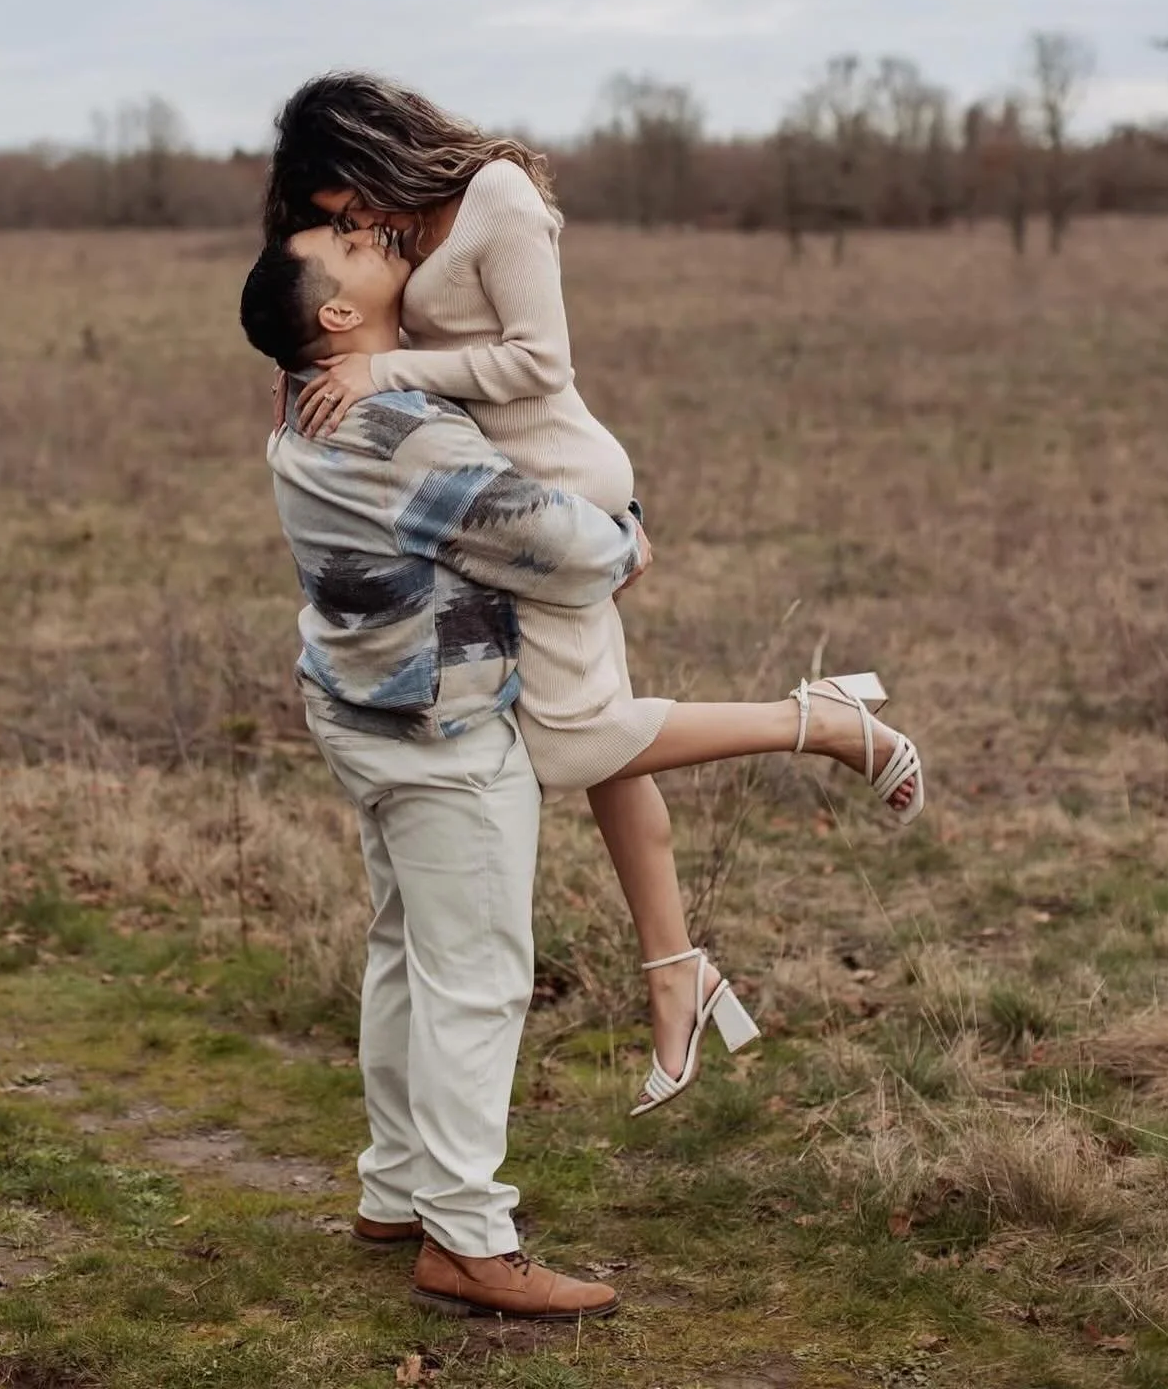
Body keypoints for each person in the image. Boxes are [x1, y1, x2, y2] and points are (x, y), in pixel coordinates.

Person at [263, 73, 924, 1118]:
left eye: (345, 204)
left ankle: (824, 723)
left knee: (577, 742)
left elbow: (541, 362)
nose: (350, 226)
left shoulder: (499, 202)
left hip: (552, 493)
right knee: (605, 750)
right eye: (333, 222)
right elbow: (361, 338)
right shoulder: (400, 236)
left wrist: (393, 382)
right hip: (495, 501)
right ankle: (677, 974)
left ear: (375, 149)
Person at [240, 220, 632, 1319]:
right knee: (477, 977)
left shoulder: (303, 401)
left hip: (363, 713)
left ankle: (397, 1189)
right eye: (354, 243)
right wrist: (632, 530)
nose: (379, 237)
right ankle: (466, 1235)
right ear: (335, 314)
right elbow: (575, 554)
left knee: (409, 955)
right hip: (440, 733)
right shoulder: (391, 425)